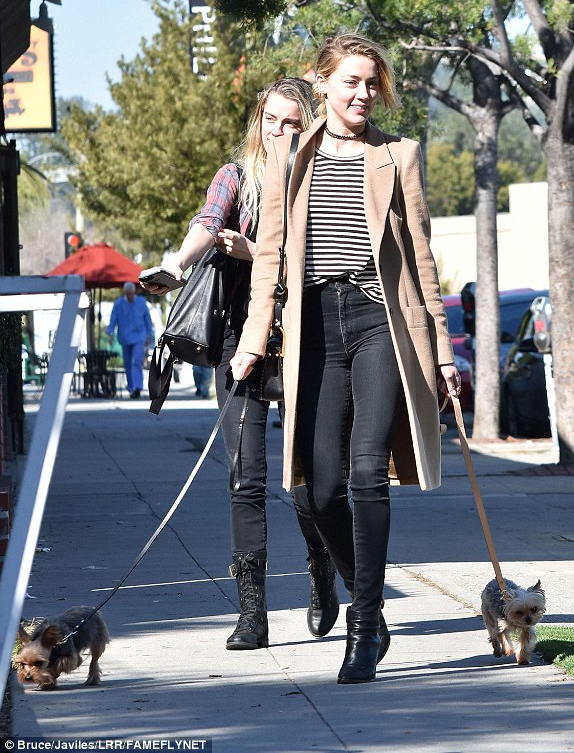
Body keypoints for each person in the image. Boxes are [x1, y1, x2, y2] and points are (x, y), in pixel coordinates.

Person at [230, 34, 461, 684]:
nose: (362, 93)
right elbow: (269, 257)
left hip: (379, 321)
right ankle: (370, 602)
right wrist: (252, 341)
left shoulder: (397, 155)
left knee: (366, 471)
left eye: (372, 84)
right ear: (322, 81)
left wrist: (441, 351)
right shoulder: (289, 158)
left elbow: (421, 258)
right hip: (315, 329)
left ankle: (362, 628)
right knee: (317, 487)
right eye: (352, 81)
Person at [140, 78, 340, 651]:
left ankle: (321, 568)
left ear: (309, 128)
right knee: (243, 479)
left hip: (306, 336)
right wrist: (178, 264)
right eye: (271, 120)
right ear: (258, 119)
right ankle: (252, 613)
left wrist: (255, 253)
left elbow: (321, 256)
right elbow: (207, 220)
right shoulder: (236, 176)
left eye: (292, 124)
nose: (278, 132)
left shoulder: (319, 180)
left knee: (309, 481)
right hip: (240, 339)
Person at [107, 282, 154, 399]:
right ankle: (131, 388)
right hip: (125, 338)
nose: (130, 296)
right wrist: (110, 333)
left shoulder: (141, 303)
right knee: (128, 363)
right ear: (125, 293)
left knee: (135, 361)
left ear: (134, 293)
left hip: (139, 337)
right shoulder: (118, 304)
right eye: (128, 294)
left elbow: (148, 320)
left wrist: (149, 335)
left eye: (131, 294)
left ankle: (137, 387)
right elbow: (113, 319)